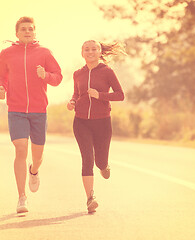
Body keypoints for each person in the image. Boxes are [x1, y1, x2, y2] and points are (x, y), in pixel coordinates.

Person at [0, 16, 62, 214]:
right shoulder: (7, 53)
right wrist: (1, 87)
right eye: (23, 29)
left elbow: (58, 77)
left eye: (30, 29)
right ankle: (21, 197)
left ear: (35, 32)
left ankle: (34, 170)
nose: (27, 31)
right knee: (20, 148)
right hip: (16, 109)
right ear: (16, 33)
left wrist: (46, 76)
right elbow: (2, 75)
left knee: (38, 155)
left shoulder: (44, 53)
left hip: (38, 110)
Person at [67, 40, 125, 213]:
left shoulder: (107, 72)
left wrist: (100, 95)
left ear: (100, 52)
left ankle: (104, 165)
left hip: (102, 122)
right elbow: (77, 93)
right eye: (87, 49)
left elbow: (120, 95)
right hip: (81, 121)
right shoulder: (78, 73)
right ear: (82, 53)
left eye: (94, 49)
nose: (90, 52)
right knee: (87, 159)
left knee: (100, 161)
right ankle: (90, 197)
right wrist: (72, 101)